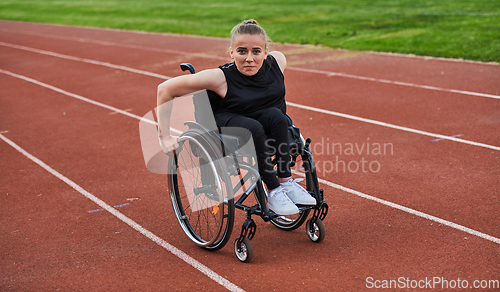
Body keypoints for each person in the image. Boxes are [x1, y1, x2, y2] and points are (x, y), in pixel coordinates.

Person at [157, 19, 315, 215]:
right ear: (232, 53)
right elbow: (164, 89)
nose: (249, 58)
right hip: (228, 120)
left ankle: (285, 181)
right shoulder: (218, 78)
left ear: (266, 52)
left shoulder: (278, 62)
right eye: (242, 51)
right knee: (253, 128)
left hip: (261, 117)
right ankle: (274, 191)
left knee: (278, 117)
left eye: (256, 51)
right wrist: (164, 137)